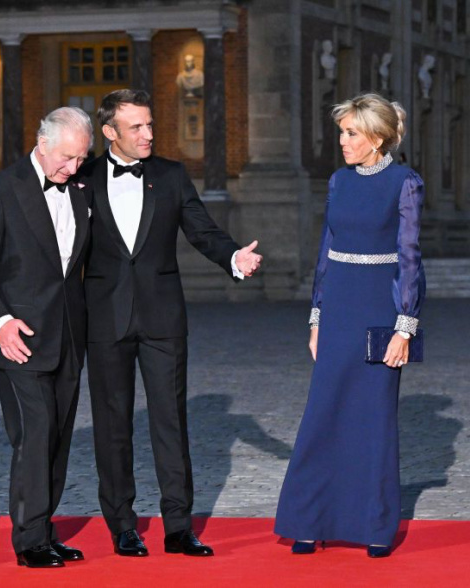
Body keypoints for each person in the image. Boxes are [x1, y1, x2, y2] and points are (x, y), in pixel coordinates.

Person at [78, 89, 262, 558]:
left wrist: (234, 257)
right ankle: (121, 524)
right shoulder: (81, 177)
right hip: (104, 318)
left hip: (163, 318)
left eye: (150, 124)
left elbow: (202, 230)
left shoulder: (171, 175)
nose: (148, 134)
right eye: (136, 126)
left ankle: (179, 526)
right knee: (112, 424)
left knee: (169, 422)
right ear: (109, 132)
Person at [275, 93, 425, 558]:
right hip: (338, 309)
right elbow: (326, 250)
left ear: (377, 138)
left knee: (373, 417)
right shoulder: (339, 181)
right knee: (323, 412)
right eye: (342, 131)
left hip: (380, 311)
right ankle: (308, 520)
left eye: (351, 133)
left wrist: (405, 327)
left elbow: (409, 257)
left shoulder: (405, 182)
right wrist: (317, 316)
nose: (342, 140)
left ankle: (375, 527)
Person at [0, 107, 92, 569]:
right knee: (34, 433)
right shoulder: (0, 190)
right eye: (67, 158)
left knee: (56, 437)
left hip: (69, 337)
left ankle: (44, 528)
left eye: (81, 159)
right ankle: (29, 540)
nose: (74, 168)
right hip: (17, 337)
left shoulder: (78, 186)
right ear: (42, 142)